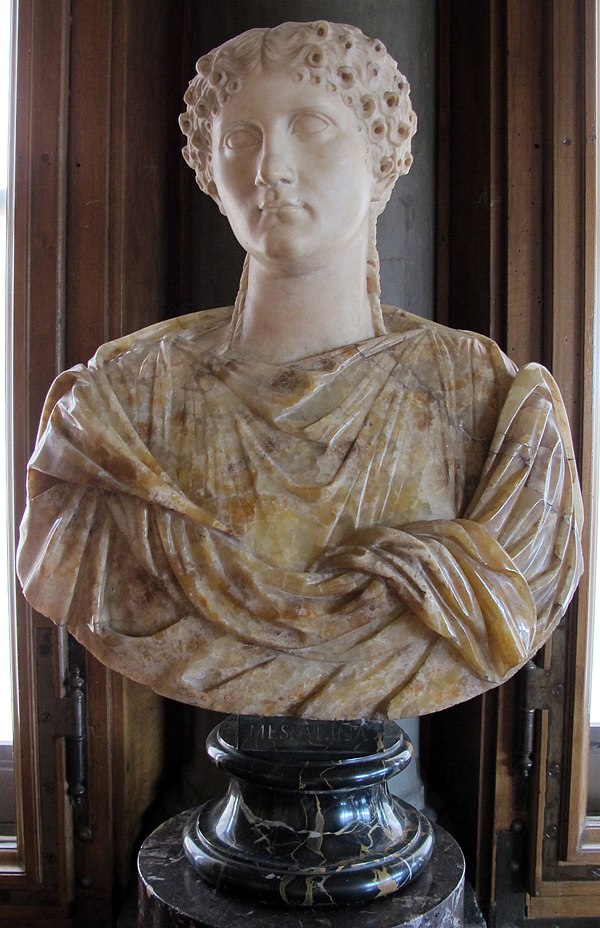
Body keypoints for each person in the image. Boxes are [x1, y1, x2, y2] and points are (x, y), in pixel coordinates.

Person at [17, 21, 583, 719]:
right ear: (210, 175)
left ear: (382, 156)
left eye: (310, 125)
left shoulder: (486, 400)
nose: (270, 167)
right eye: (239, 139)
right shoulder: (122, 406)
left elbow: (512, 593)